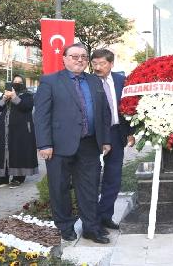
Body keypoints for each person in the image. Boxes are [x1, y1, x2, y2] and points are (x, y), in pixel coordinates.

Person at [33, 43, 112, 244]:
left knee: (89, 188)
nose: (80, 60)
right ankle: (65, 227)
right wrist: (44, 144)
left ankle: (91, 228)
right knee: (59, 188)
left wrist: (105, 139)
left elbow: (104, 112)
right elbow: (41, 115)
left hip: (89, 144)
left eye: (83, 56)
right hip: (58, 146)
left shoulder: (94, 80)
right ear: (64, 59)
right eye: (75, 56)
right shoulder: (50, 81)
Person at [91, 49, 133, 233]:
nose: (98, 67)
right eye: (95, 63)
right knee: (92, 177)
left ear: (111, 64)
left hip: (116, 133)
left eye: (102, 63)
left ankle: (105, 216)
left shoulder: (121, 80)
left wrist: (130, 132)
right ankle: (91, 219)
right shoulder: (88, 81)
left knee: (113, 177)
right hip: (93, 135)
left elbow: (128, 107)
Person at [0, 74, 38, 189]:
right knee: (3, 153)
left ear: (23, 83)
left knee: (18, 151)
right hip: (5, 130)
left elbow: (27, 107)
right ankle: (1, 179)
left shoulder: (27, 95)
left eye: (19, 82)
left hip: (20, 130)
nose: (16, 84)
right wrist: (4, 98)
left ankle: (18, 178)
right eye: (14, 81)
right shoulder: (5, 94)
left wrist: (15, 97)